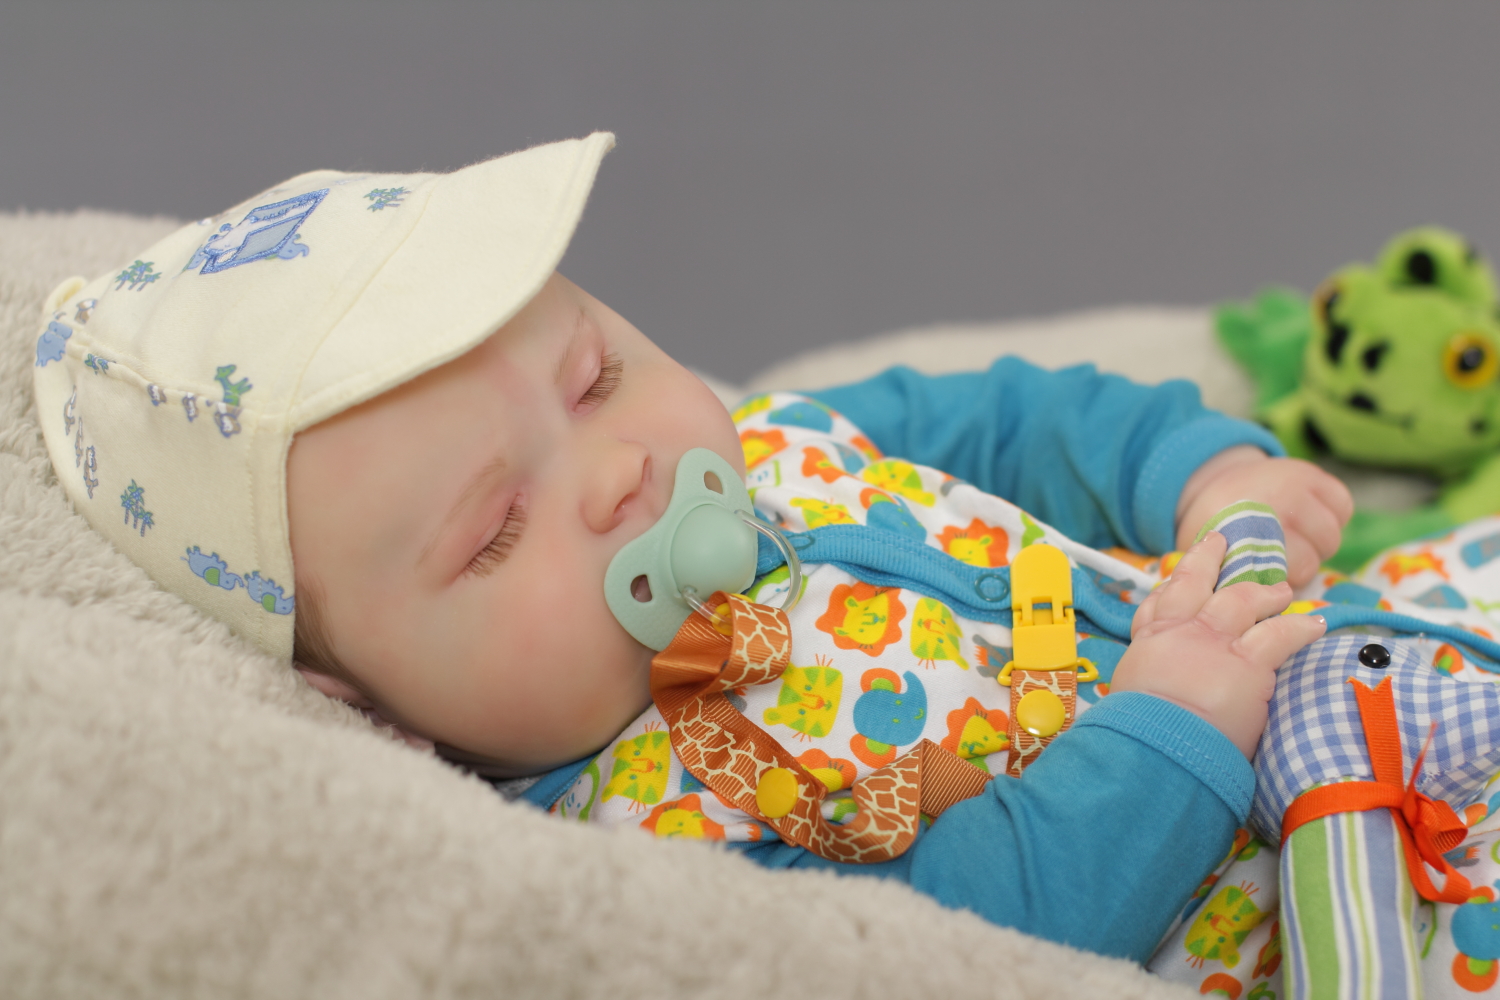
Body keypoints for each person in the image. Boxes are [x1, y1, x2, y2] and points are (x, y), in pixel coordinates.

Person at [32, 133, 1351, 963]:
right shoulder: (653, 838)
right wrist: (1171, 729)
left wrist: (1199, 474)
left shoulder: (782, 439)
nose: (619, 471)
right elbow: (986, 933)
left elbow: (1013, 419)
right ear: (365, 705)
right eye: (496, 532)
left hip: (1343, 646)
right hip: (1325, 890)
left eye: (595, 377)